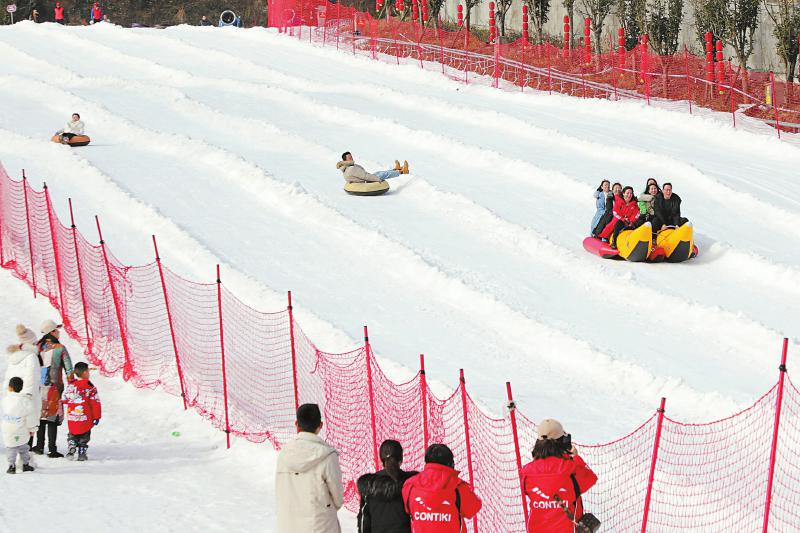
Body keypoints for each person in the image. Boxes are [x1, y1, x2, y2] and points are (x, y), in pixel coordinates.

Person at [275, 403, 344, 533]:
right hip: (321, 524)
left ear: (297, 424)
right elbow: (337, 495)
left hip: (289, 524)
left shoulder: (284, 454)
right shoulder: (327, 456)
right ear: (320, 425)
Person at [520, 419, 597, 533]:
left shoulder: (526, 472)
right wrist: (575, 457)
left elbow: (527, 491)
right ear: (562, 442)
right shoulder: (571, 469)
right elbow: (590, 478)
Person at [402, 443, 482, 532]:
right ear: (450, 463)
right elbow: (473, 508)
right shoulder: (458, 487)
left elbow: (408, 510)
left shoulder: (410, 486)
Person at [31, 320, 73, 458]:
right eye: (57, 330)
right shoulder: (60, 348)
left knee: (41, 417)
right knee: (52, 418)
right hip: (54, 388)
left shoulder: (37, 347)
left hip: (38, 387)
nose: (58, 332)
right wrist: (72, 383)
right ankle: (52, 449)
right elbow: (68, 368)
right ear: (52, 332)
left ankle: (39, 446)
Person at [357, 439, 418, 533]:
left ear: (381, 459)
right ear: (401, 459)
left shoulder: (368, 484)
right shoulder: (412, 482)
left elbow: (364, 520)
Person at [5, 325, 41, 451]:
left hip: (13, 396)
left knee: (15, 426)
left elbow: (7, 377)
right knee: (29, 426)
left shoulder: (13, 357)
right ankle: (26, 459)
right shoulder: (32, 357)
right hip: (27, 396)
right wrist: (29, 395)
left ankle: (15, 456)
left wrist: (8, 395)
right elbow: (33, 378)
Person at [62, 362, 101, 461]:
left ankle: (72, 443)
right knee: (84, 435)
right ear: (84, 373)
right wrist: (97, 416)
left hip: (73, 416)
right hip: (85, 417)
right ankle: (82, 452)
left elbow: (65, 398)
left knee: (73, 432)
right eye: (88, 371)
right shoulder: (90, 387)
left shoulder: (71, 386)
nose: (89, 373)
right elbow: (95, 402)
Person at [3, 377, 35, 474]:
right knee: (24, 448)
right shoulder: (26, 401)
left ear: (10, 387)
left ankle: (11, 466)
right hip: (21, 429)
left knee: (11, 448)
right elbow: (30, 417)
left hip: (9, 429)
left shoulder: (6, 399)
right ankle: (25, 464)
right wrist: (32, 428)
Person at [336, 152, 409, 183]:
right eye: (349, 157)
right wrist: (377, 180)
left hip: (364, 179)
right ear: (345, 160)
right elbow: (365, 176)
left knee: (379, 173)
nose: (351, 158)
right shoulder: (351, 169)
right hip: (366, 181)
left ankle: (396, 169)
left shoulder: (347, 168)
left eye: (351, 156)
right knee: (381, 175)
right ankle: (402, 171)